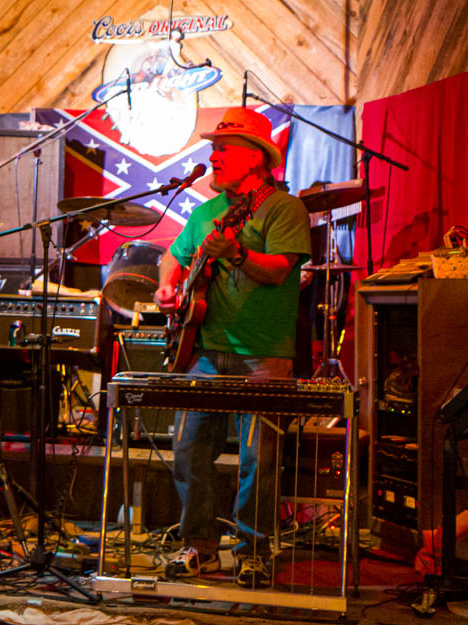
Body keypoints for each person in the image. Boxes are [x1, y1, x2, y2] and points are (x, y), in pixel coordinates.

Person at [153, 108, 311, 588]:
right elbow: (171, 256)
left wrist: (239, 253)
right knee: (188, 451)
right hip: (203, 347)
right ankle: (199, 548)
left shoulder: (283, 209)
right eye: (213, 148)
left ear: (256, 159)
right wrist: (168, 286)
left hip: (262, 353)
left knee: (258, 460)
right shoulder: (205, 213)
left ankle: (254, 551)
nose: (213, 157)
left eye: (224, 149)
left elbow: (282, 270)